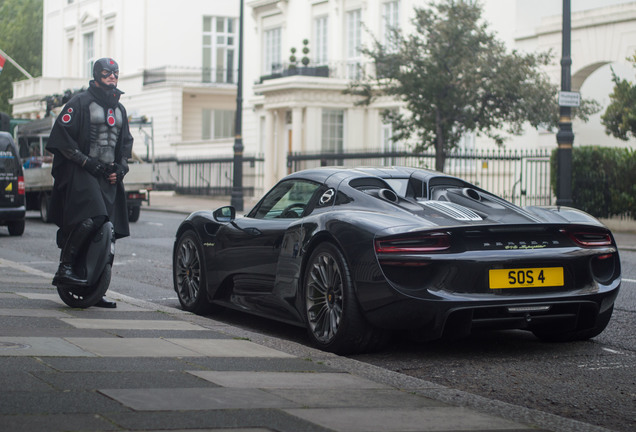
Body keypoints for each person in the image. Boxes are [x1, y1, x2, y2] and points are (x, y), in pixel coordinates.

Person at [46, 58, 133, 308]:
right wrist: (87, 163)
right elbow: (62, 140)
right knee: (94, 217)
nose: (112, 77)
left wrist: (121, 168)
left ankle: (96, 287)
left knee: (109, 230)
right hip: (82, 173)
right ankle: (66, 268)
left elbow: (125, 144)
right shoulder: (79, 102)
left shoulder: (120, 109)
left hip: (108, 175)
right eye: (107, 73)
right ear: (96, 76)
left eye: (115, 73)